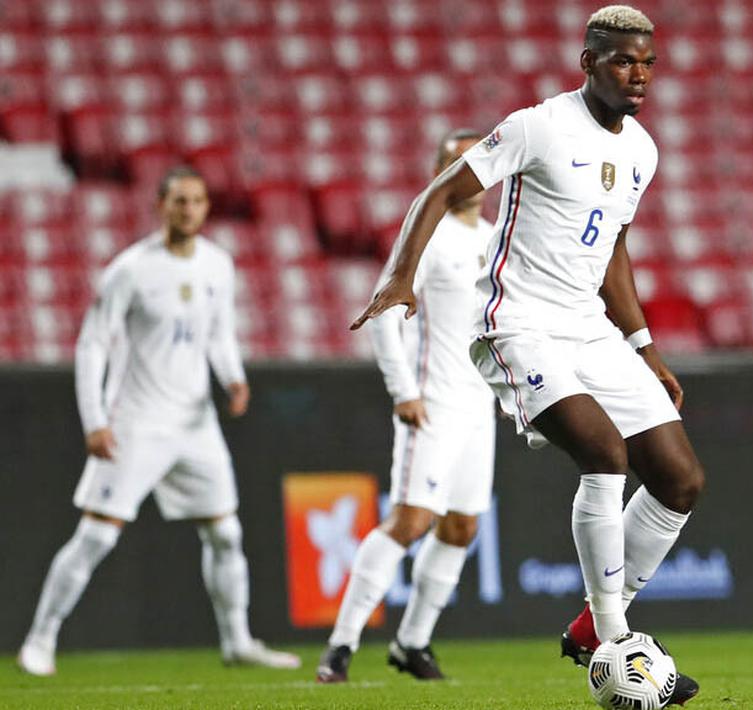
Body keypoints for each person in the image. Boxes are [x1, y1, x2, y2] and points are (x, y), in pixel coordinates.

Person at [351, 5, 703, 704]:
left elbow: (613, 254)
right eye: (621, 61)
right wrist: (398, 276)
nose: (637, 74)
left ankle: (587, 627)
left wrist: (643, 347)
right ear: (587, 62)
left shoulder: (641, 149)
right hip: (515, 321)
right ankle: (612, 638)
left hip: (588, 327)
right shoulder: (537, 125)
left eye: (646, 62)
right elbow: (442, 190)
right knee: (604, 453)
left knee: (678, 477)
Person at [17, 167, 300, 675]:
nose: (188, 210)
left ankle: (237, 641)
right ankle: (40, 639)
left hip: (195, 423)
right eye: (178, 201)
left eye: (196, 201)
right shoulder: (130, 270)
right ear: (160, 206)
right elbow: (92, 344)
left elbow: (219, 332)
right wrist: (94, 420)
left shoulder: (218, 265)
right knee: (98, 536)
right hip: (136, 422)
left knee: (225, 533)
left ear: (206, 208)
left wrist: (232, 378)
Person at [316, 130, 497, 683]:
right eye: (454, 162)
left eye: (476, 162)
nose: (467, 172)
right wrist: (404, 392)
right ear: (439, 172)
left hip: (478, 405)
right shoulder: (429, 237)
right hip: (433, 401)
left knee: (462, 529)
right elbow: (384, 316)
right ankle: (340, 646)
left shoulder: (495, 239)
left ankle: (412, 643)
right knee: (412, 519)